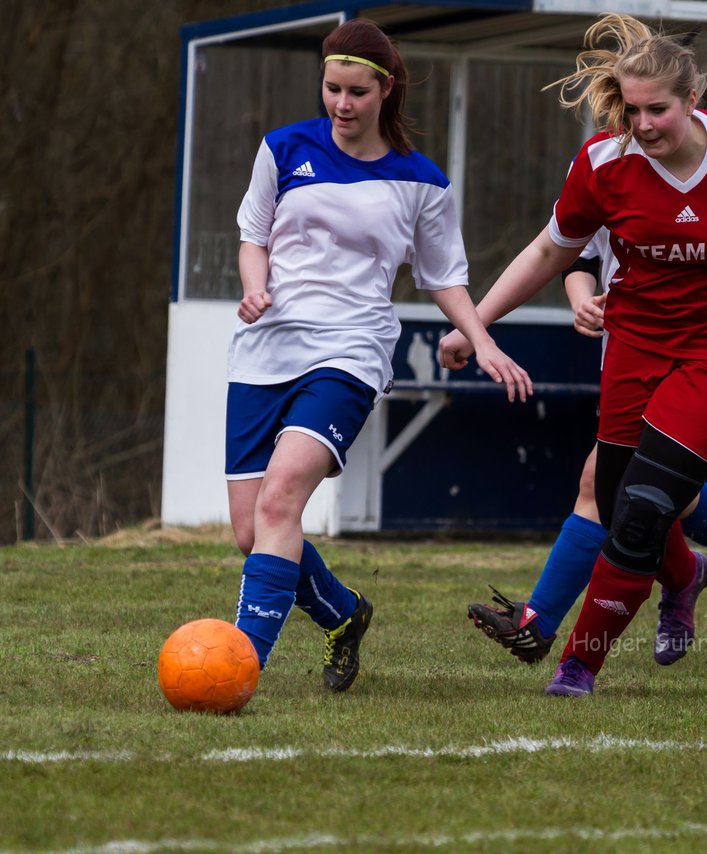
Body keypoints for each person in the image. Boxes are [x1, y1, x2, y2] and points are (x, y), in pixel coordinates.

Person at [440, 13, 707, 697]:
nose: (642, 125)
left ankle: (575, 665)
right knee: (615, 500)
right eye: (632, 109)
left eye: (658, 110)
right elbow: (551, 250)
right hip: (637, 343)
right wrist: (476, 325)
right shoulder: (603, 164)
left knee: (642, 504)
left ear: (691, 99)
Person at [227, 18, 532, 693]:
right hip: (263, 350)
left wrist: (481, 340)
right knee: (252, 533)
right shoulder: (283, 149)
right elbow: (253, 235)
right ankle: (343, 614)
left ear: (384, 90)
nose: (341, 104)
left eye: (356, 92)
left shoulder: (420, 181)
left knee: (281, 504)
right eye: (332, 89)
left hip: (349, 351)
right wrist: (255, 288)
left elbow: (444, 277)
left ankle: (238, 666)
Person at [469, 220, 707, 668]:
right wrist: (581, 302)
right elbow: (577, 254)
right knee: (641, 488)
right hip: (631, 342)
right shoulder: (598, 161)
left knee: (616, 483)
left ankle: (542, 621)